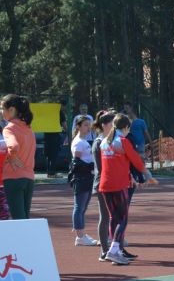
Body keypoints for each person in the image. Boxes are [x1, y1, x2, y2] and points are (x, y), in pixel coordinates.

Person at [99, 113, 158, 265]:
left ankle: (115, 250)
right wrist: (148, 176)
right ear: (125, 127)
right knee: (123, 219)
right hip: (119, 185)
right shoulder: (123, 141)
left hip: (105, 185)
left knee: (114, 217)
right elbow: (136, 160)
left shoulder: (104, 141)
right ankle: (113, 250)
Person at [0, 95, 36, 220]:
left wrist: (11, 156)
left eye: (2, 108)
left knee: (18, 220)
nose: (1, 112)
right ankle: (28, 240)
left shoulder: (8, 128)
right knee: (25, 219)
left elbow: (13, 146)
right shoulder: (28, 128)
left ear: (11, 110)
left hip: (13, 178)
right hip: (29, 179)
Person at [68, 115, 98, 245]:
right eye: (85, 125)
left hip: (88, 177)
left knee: (83, 208)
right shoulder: (78, 142)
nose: (88, 127)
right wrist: (90, 167)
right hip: (81, 178)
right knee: (79, 207)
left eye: (89, 125)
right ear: (79, 127)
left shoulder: (84, 141)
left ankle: (82, 234)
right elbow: (76, 163)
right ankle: (79, 236)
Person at [91, 111, 116, 260]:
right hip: (102, 184)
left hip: (112, 183)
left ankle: (114, 248)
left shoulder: (111, 140)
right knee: (105, 216)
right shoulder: (99, 142)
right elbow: (102, 168)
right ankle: (104, 251)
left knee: (115, 216)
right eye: (113, 124)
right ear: (105, 125)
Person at [44, 100, 66, 178]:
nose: (64, 108)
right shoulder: (60, 112)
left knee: (48, 155)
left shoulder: (49, 112)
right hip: (55, 136)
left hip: (46, 136)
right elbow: (64, 125)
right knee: (54, 155)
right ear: (62, 105)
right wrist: (66, 131)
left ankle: (49, 172)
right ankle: (52, 173)